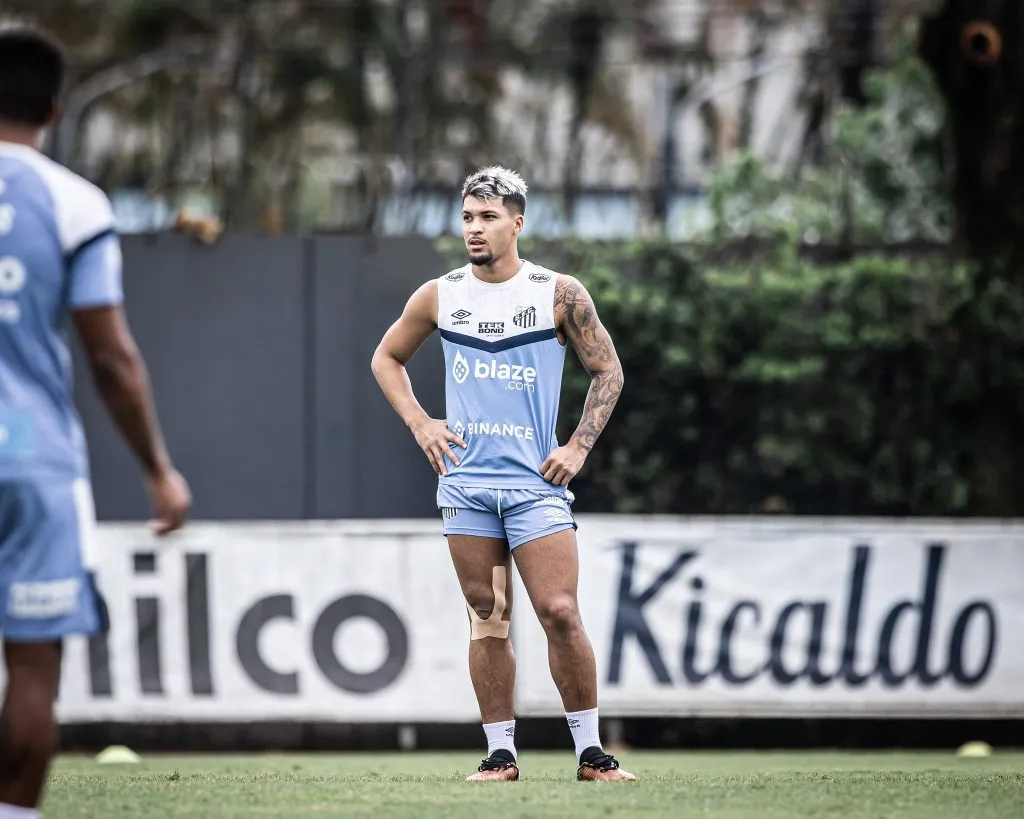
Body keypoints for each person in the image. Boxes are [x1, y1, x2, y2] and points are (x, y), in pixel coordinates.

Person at [371, 165, 633, 782]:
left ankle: (591, 754)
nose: (474, 229)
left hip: (535, 489)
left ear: (518, 222)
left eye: (487, 217)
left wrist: (577, 448)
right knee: (487, 616)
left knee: (560, 611)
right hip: (466, 486)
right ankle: (500, 755)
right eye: (467, 217)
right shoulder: (439, 294)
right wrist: (421, 423)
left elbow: (610, 371)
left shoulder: (558, 293)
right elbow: (386, 358)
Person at [0, 25, 191, 815]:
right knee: (33, 670)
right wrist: (157, 468)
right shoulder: (75, 203)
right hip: (33, 462)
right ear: (53, 107)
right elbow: (111, 359)